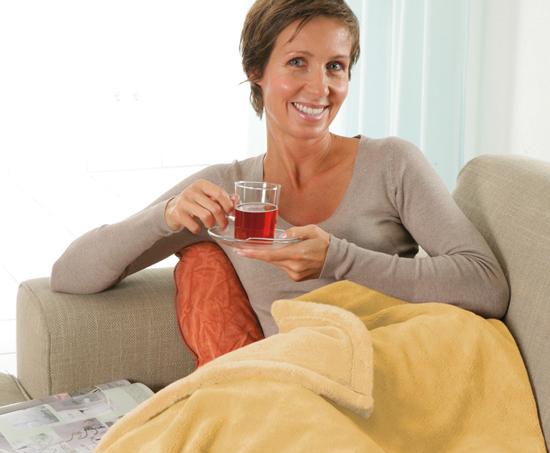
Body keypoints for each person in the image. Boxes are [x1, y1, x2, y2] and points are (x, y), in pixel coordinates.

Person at [51, 0, 509, 338]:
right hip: (296, 391)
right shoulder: (225, 191)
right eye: (297, 63)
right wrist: (165, 215)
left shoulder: (392, 164)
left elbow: (486, 284)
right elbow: (70, 276)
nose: (320, 87)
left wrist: (339, 259)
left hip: (394, 371)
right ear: (256, 70)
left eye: (335, 66)